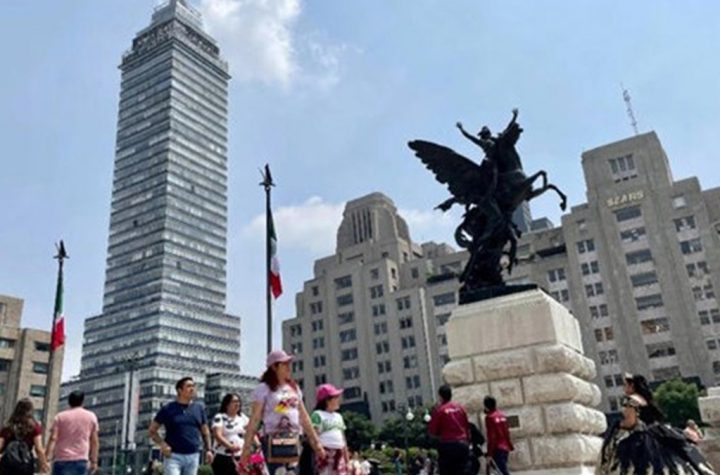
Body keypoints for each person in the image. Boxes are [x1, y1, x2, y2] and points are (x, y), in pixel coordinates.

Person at [239, 350, 325, 475]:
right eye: (284, 364)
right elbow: (255, 419)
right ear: (274, 367)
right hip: (273, 439)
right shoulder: (263, 389)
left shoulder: (294, 388)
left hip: (294, 438)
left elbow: (304, 417)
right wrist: (246, 448)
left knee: (292, 472)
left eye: (289, 363)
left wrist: (316, 443)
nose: (288, 367)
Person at [597, 394, 715, 474]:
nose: (623, 411)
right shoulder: (621, 439)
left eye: (628, 407)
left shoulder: (650, 440)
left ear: (638, 413)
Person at [149, 377, 213, 475]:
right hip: (173, 456)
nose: (192, 389)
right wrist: (163, 444)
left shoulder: (199, 409)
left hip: (193, 456)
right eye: (189, 386)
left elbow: (205, 432)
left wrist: (208, 450)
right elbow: (152, 431)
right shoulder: (168, 409)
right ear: (180, 390)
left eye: (193, 386)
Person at [46, 390, 99, 475]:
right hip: (81, 459)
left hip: (61, 459)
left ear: (69, 402)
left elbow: (53, 438)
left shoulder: (60, 417)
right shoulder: (91, 417)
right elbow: (94, 441)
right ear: (82, 401)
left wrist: (47, 458)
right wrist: (94, 461)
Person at [428, 384, 471, 475]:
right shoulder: (460, 408)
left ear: (440, 396)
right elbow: (467, 426)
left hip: (448, 445)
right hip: (462, 444)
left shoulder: (440, 410)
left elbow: (432, 431)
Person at [0, 398, 49, 474]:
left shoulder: (8, 427)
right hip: (25, 464)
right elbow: (38, 448)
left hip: (8, 465)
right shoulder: (34, 427)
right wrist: (43, 463)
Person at [311, 383, 348, 475]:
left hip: (339, 453)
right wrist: (319, 451)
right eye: (336, 397)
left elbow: (343, 439)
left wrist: (347, 460)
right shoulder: (317, 414)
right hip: (325, 452)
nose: (339, 400)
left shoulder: (338, 416)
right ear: (327, 400)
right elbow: (314, 436)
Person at [211, 393, 251, 475]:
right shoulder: (220, 417)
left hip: (240, 456)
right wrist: (230, 446)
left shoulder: (243, 417)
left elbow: (251, 432)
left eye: (238, 401)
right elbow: (217, 435)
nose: (237, 404)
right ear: (227, 404)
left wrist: (257, 444)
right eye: (234, 401)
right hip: (224, 457)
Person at [484, 396, 513, 475]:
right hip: (505, 447)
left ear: (486, 406)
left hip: (497, 448)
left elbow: (492, 437)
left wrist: (489, 454)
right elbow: (507, 432)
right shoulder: (502, 416)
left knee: (502, 471)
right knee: (503, 469)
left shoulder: (489, 418)